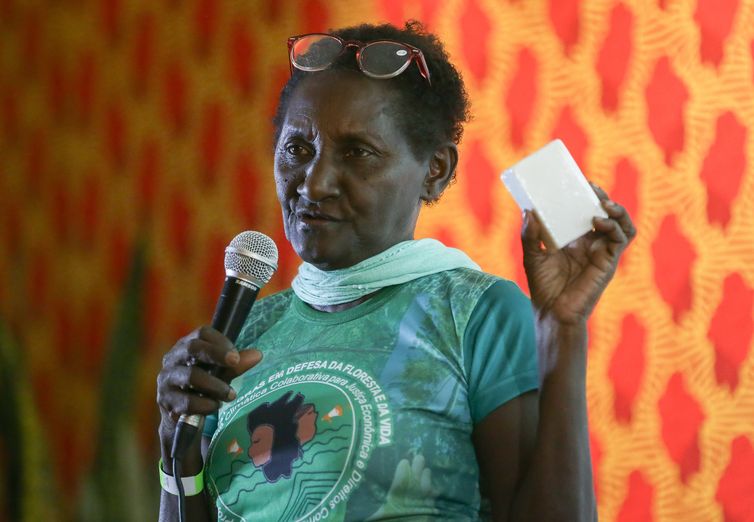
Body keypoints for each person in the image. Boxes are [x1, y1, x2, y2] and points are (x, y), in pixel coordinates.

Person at [156, 21, 635, 521]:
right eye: (298, 149)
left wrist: (562, 329)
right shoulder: (243, 337)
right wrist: (178, 445)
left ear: (436, 171)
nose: (314, 184)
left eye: (357, 153)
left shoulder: (474, 315)